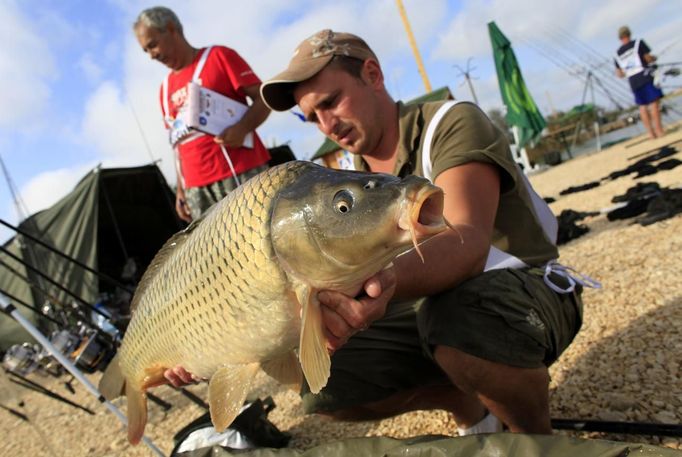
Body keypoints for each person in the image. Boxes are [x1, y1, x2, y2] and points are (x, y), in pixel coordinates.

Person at [167, 29, 598, 436]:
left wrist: (379, 284)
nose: (327, 125)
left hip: (525, 291)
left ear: (372, 74)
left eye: (332, 101)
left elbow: (465, 240)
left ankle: (534, 438)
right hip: (429, 313)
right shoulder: (347, 179)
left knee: (457, 322)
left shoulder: (449, 121)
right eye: (312, 116)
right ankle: (471, 408)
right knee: (321, 385)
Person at [134, 7, 271, 222]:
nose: (152, 55)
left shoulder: (219, 57)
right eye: (146, 50)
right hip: (196, 190)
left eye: (152, 45)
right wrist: (181, 189)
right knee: (219, 254)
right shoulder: (164, 88)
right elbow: (176, 143)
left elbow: (264, 98)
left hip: (240, 171)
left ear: (171, 29)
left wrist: (243, 128)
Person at [614, 25, 665, 139]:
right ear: (629, 34)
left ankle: (651, 134)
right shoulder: (638, 43)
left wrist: (628, 70)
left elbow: (619, 74)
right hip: (645, 76)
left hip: (633, 82)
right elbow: (647, 58)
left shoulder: (617, 53)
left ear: (620, 38)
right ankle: (659, 131)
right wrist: (654, 58)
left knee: (642, 106)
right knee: (654, 103)